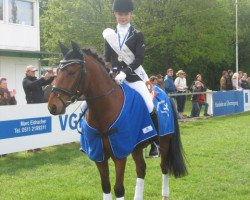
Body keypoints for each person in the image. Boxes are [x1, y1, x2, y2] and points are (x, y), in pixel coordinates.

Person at [102, 0, 159, 158]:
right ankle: (94, 137)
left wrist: (125, 72)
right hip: (114, 78)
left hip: (133, 77)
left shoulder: (137, 34)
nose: (123, 17)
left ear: (131, 15)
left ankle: (155, 141)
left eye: (126, 14)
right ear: (115, 15)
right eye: (120, 14)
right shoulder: (109, 35)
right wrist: (109, 71)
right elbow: (107, 57)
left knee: (148, 104)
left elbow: (139, 59)